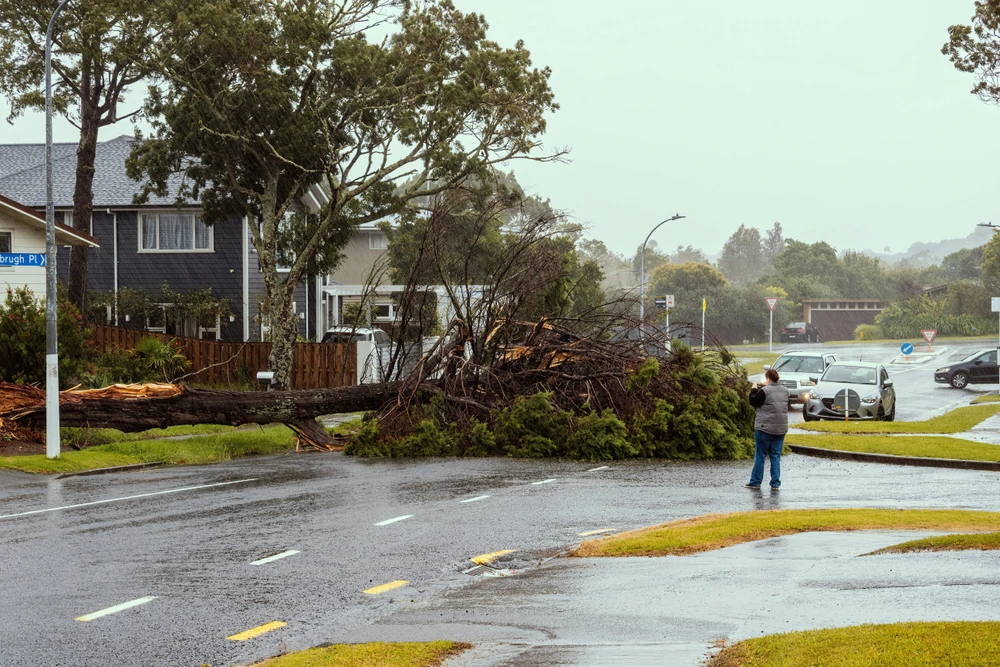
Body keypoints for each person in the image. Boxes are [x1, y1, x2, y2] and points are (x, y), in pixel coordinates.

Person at [745, 367, 788, 490]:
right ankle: (775, 483)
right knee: (775, 455)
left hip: (765, 428)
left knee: (760, 455)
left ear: (768, 378)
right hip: (781, 428)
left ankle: (755, 481)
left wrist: (754, 389)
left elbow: (753, 401)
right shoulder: (785, 391)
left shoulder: (765, 391)